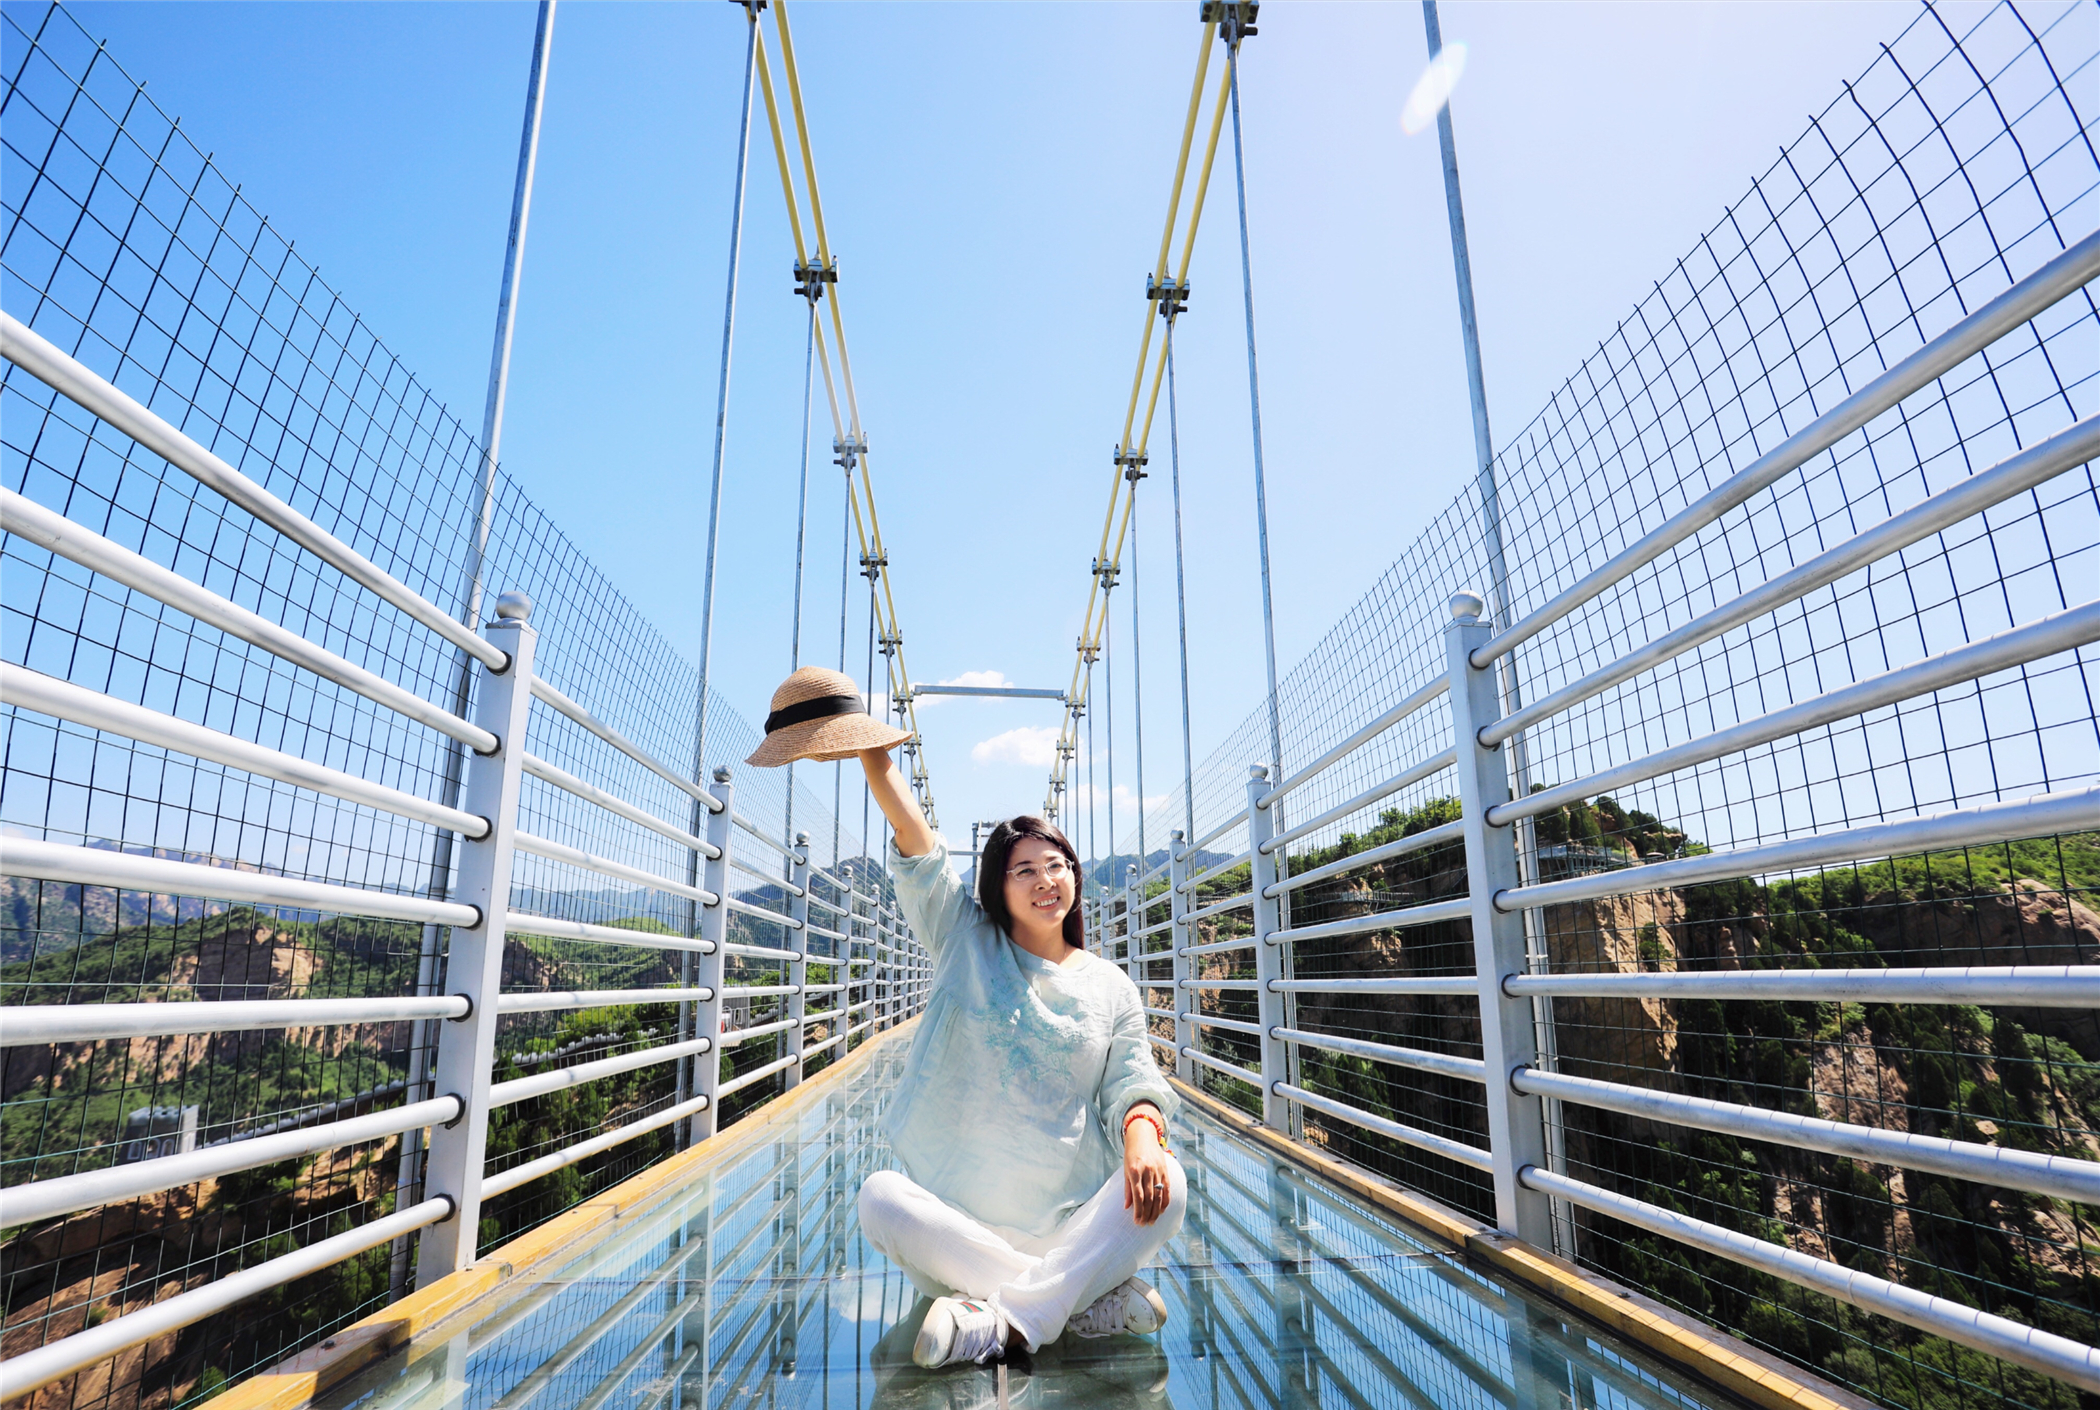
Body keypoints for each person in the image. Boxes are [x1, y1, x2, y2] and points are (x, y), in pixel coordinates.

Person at [745, 667, 1186, 1371]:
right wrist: (873, 756)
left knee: (1171, 1182)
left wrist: (1141, 1138)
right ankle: (1073, 1304)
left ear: (1075, 877)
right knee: (879, 1198)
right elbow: (916, 844)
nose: (1046, 880)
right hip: (959, 1235)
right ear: (994, 889)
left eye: (1057, 864)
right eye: (1024, 870)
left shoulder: (1109, 985)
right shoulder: (963, 938)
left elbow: (1132, 1080)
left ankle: (1002, 1319)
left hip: (1070, 1227)